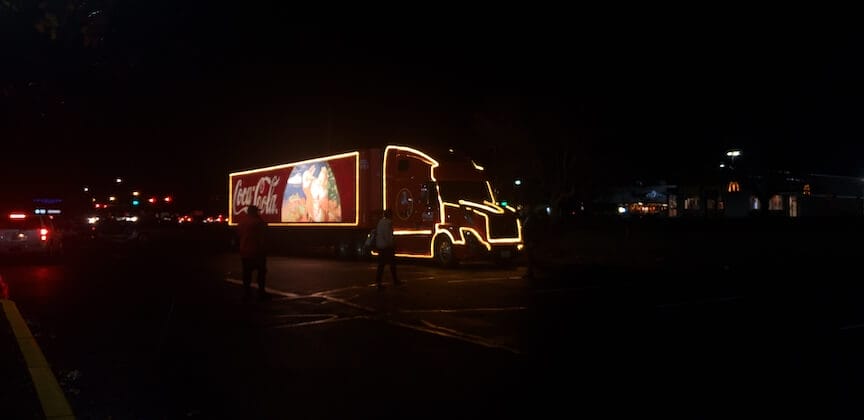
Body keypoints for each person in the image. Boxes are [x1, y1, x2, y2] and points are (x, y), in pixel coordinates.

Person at [238, 205, 271, 301]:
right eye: (257, 211)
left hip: (245, 250)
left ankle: (247, 293)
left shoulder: (242, 222)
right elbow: (263, 236)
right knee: (261, 272)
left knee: (247, 273)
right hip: (257, 251)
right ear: (255, 212)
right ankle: (261, 292)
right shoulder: (258, 222)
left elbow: (238, 236)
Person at [375, 208, 401, 290]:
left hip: (380, 246)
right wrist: (392, 244)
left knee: (381, 265)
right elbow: (388, 236)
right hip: (387, 247)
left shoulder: (380, 222)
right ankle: (395, 280)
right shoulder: (388, 223)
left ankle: (378, 282)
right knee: (392, 264)